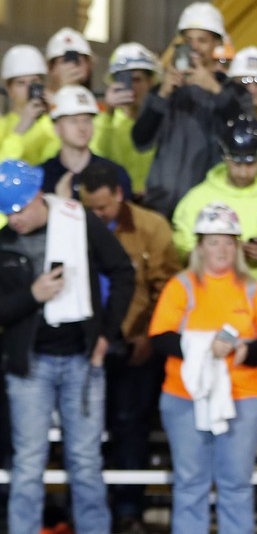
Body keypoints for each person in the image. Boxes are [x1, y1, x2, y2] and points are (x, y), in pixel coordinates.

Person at [0, 159, 134, 534]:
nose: (14, 220)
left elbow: (123, 271)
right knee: (27, 465)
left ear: (38, 196)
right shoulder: (4, 243)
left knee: (86, 463)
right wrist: (32, 295)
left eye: (19, 209)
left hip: (82, 360)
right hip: (29, 367)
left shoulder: (79, 222)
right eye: (6, 212)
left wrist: (107, 332)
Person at [149, 202, 257, 534]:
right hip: (185, 398)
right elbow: (159, 337)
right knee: (190, 483)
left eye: (227, 241)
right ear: (199, 246)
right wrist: (204, 345)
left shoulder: (253, 289)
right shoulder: (182, 286)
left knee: (235, 484)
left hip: (244, 398)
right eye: (213, 241)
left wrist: (241, 351)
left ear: (236, 246)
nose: (221, 249)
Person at [78, 161, 181, 532]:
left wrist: (149, 337)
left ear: (119, 195)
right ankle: (86, 514)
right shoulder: (73, 225)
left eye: (103, 207)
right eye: (90, 207)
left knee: (131, 426)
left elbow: (167, 288)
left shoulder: (151, 226)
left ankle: (127, 512)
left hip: (134, 343)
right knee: (87, 431)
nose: (97, 214)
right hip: (85, 344)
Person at [132, 1, 251, 218]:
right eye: (188, 40)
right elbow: (140, 141)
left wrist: (215, 89)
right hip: (162, 206)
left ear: (217, 43)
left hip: (213, 208)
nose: (194, 46)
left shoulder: (235, 92)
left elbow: (244, 135)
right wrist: (162, 95)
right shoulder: (162, 90)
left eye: (202, 40)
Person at [40, 84, 133, 202]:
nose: (82, 127)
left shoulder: (115, 174)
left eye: (87, 120)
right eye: (73, 121)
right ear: (56, 128)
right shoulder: (42, 176)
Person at [92, 42, 162, 198]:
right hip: (118, 203)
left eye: (137, 80)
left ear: (150, 82)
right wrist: (108, 111)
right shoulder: (105, 122)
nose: (131, 87)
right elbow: (96, 157)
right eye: (124, 80)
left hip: (156, 201)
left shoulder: (162, 120)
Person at [0, 44, 56, 165]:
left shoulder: (53, 120)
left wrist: (58, 113)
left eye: (34, 82)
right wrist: (20, 129)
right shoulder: (2, 126)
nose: (28, 89)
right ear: (9, 89)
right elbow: (3, 169)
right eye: (21, 83)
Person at [45, 27, 93, 92]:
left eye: (78, 61)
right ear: (51, 68)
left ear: (88, 65)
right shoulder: (42, 100)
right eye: (65, 61)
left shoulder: (94, 101)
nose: (72, 66)